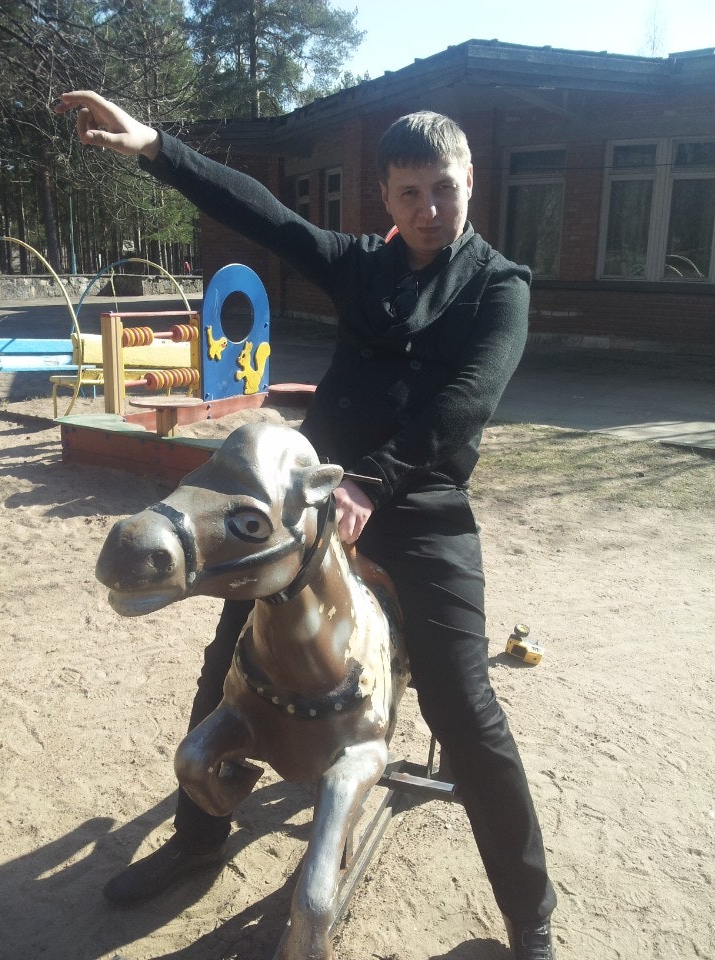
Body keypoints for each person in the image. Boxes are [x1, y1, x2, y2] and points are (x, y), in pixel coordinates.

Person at [55, 91, 557, 959]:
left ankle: (529, 914)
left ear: (470, 181)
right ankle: (198, 839)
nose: (428, 210)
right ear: (385, 196)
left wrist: (374, 484)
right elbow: (267, 216)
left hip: (419, 503)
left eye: (444, 189)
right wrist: (154, 147)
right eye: (409, 194)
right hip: (312, 501)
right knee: (230, 655)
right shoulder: (364, 265)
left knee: (464, 704)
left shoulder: (499, 287)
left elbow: (461, 409)